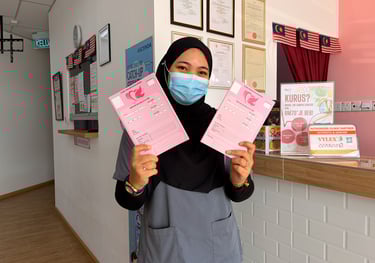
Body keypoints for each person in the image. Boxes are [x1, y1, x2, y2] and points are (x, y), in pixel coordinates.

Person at [113, 37, 255, 263]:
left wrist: (240, 181)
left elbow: (241, 193)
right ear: (166, 70)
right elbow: (126, 199)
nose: (192, 78)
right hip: (167, 249)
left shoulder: (222, 124)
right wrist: (136, 183)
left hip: (219, 248)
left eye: (201, 72)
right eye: (182, 68)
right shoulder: (142, 126)